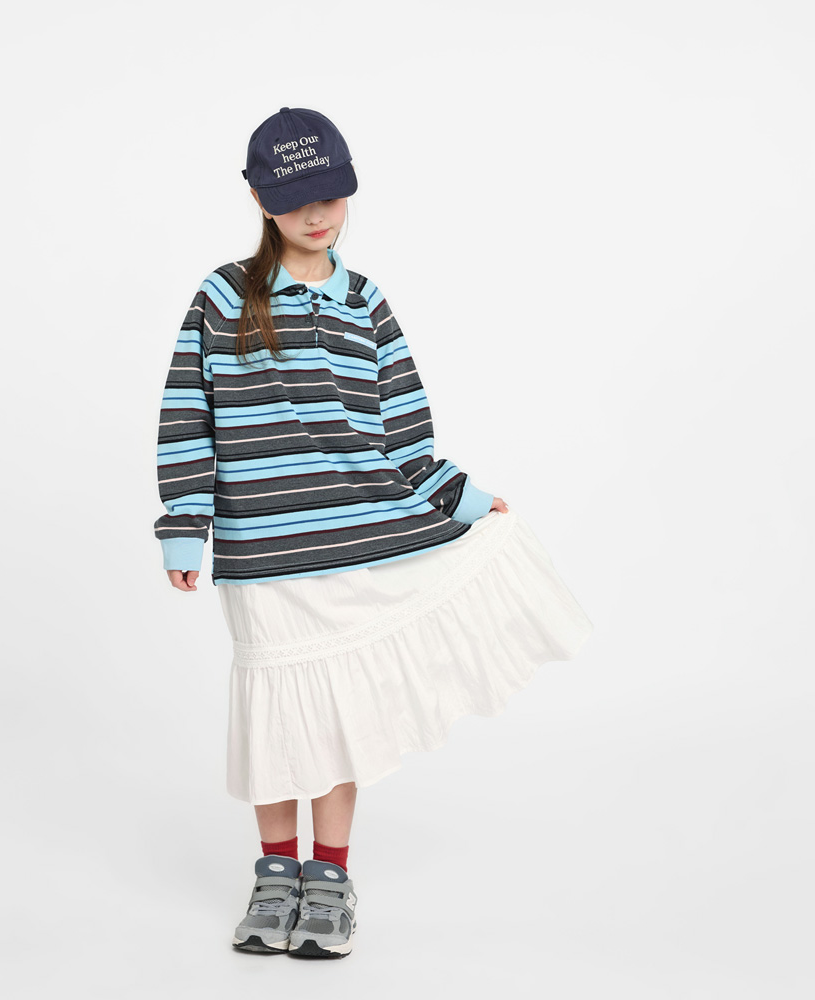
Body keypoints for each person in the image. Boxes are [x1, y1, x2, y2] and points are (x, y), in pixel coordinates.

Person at [153, 107, 594, 959]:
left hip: (360, 543)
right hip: (264, 552)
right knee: (277, 715)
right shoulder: (223, 296)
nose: (317, 214)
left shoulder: (366, 302)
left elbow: (405, 433)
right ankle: (273, 878)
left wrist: (465, 500)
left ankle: (328, 883)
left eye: (331, 194)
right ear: (259, 198)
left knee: (337, 719)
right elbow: (187, 417)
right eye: (296, 199)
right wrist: (184, 528)